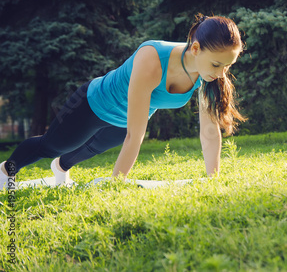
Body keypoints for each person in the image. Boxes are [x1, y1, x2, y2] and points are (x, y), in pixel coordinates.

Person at [0, 14, 246, 189]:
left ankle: (60, 171)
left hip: (121, 121)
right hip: (93, 105)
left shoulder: (208, 75)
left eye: (228, 65)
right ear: (195, 48)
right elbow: (135, 136)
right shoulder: (152, 58)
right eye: (217, 64)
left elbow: (210, 133)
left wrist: (212, 179)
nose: (222, 73)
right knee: (52, 146)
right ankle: (5, 172)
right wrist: (118, 184)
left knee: (89, 150)